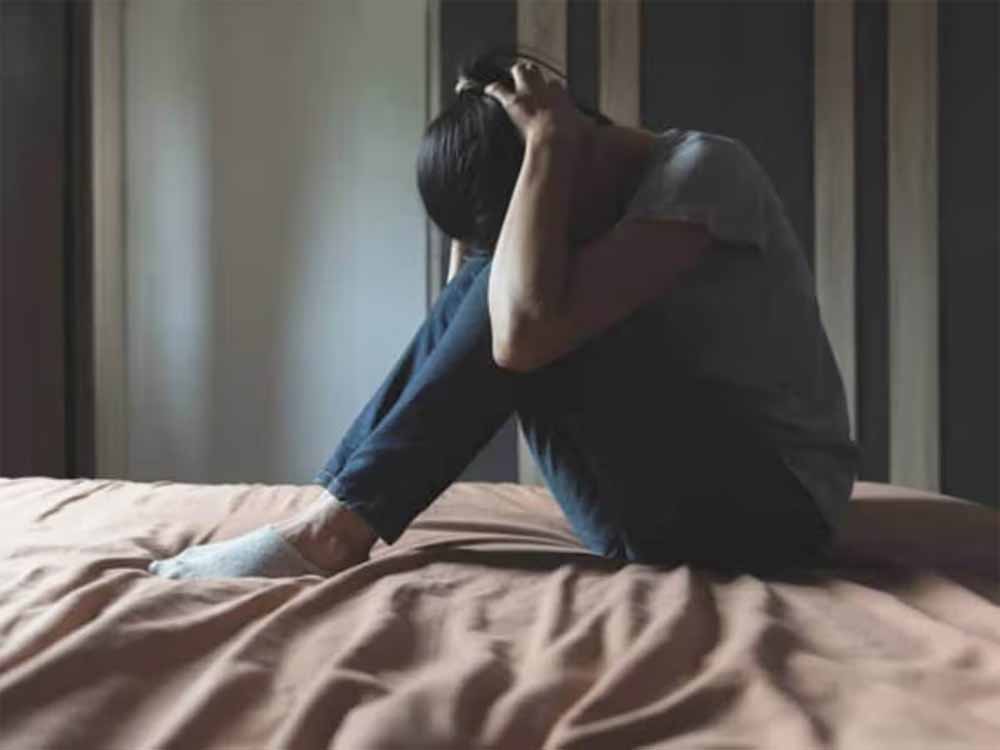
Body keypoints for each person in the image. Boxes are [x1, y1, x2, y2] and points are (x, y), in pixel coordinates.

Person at [148, 49, 857, 581]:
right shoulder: (588, 210)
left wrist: (548, 139)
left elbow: (518, 336)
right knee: (503, 282)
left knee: (522, 301)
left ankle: (334, 532)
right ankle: (332, 510)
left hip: (773, 512)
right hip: (651, 510)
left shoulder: (705, 172)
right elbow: (469, 318)